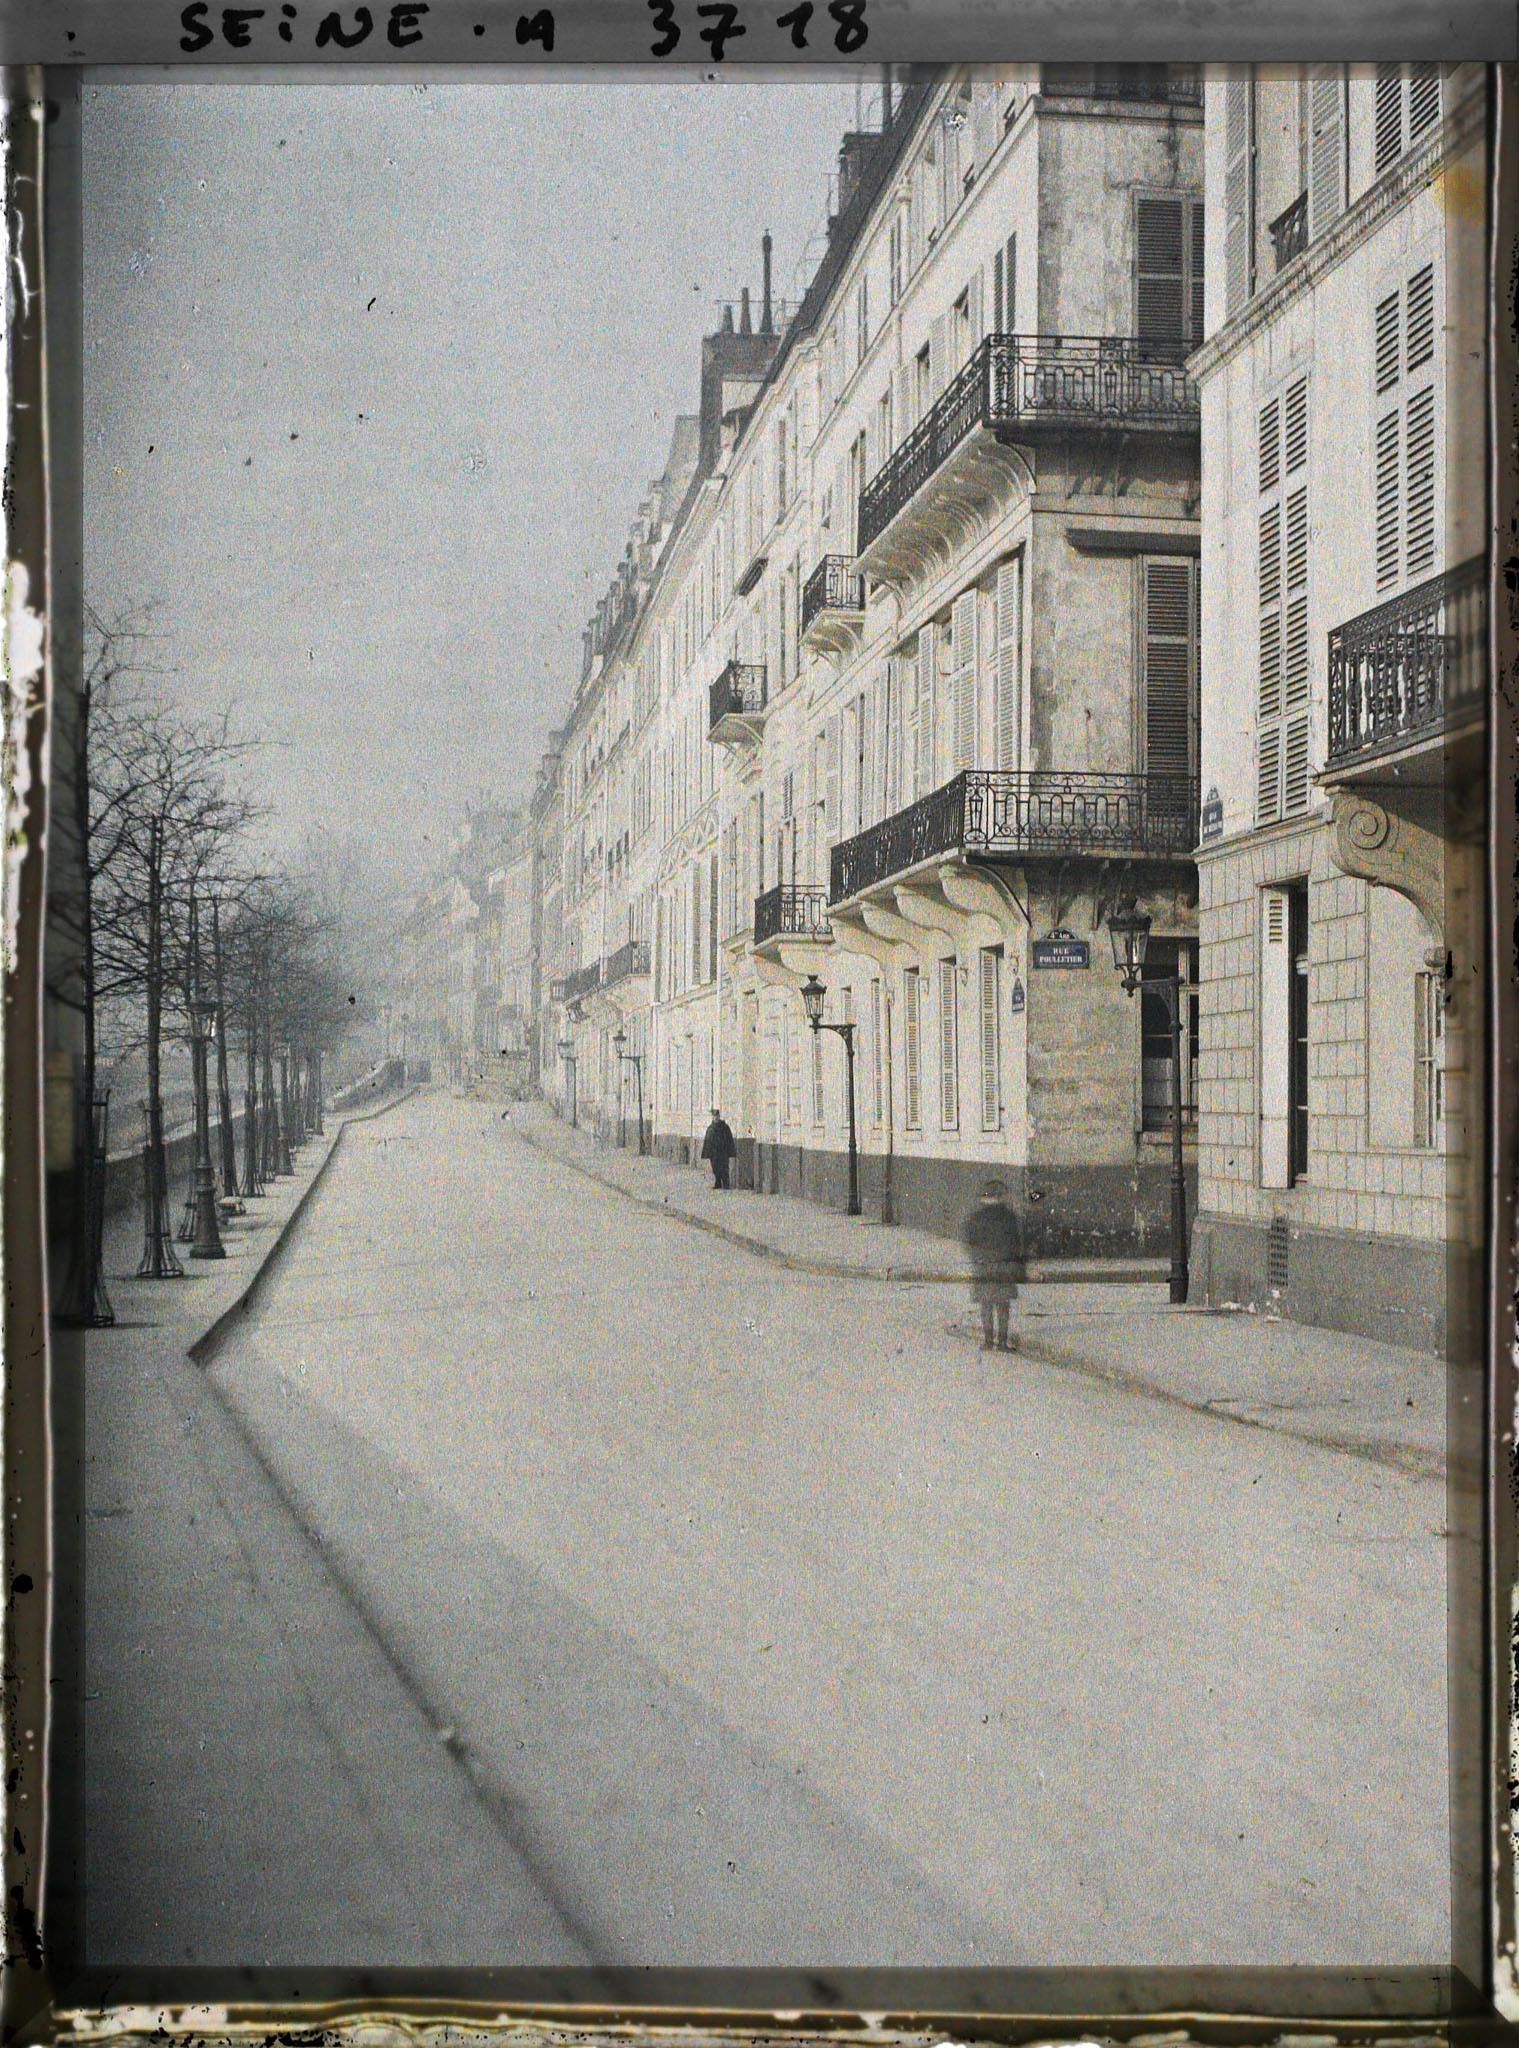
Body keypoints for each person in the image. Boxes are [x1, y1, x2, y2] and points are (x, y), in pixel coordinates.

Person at [960, 1179, 1025, 1352]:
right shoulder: (1009, 1218)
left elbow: (969, 1243)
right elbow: (1016, 1244)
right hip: (1004, 1266)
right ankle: (1002, 1342)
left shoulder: (975, 1219)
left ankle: (988, 1341)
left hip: (984, 1267)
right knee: (1003, 1306)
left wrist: (977, 1259)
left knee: (986, 1305)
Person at [700, 1108, 736, 1190]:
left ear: (719, 1116)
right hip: (714, 1153)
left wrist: (730, 1151)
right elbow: (707, 1141)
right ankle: (718, 1182)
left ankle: (726, 1183)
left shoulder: (725, 1127)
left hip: (723, 1152)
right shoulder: (710, 1128)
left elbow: (729, 1139)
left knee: (724, 1168)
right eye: (714, 1116)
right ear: (712, 1117)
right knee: (715, 1168)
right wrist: (707, 1153)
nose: (716, 1118)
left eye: (717, 1116)